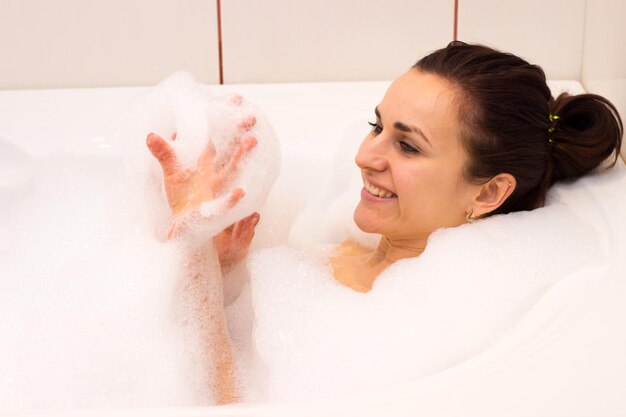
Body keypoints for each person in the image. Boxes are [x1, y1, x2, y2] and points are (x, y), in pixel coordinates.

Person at [146, 41, 623, 403]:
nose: (363, 154)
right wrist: (223, 268)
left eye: (408, 145)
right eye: (378, 126)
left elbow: (231, 406)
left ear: (488, 192)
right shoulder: (337, 257)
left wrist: (190, 244)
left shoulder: (426, 328)